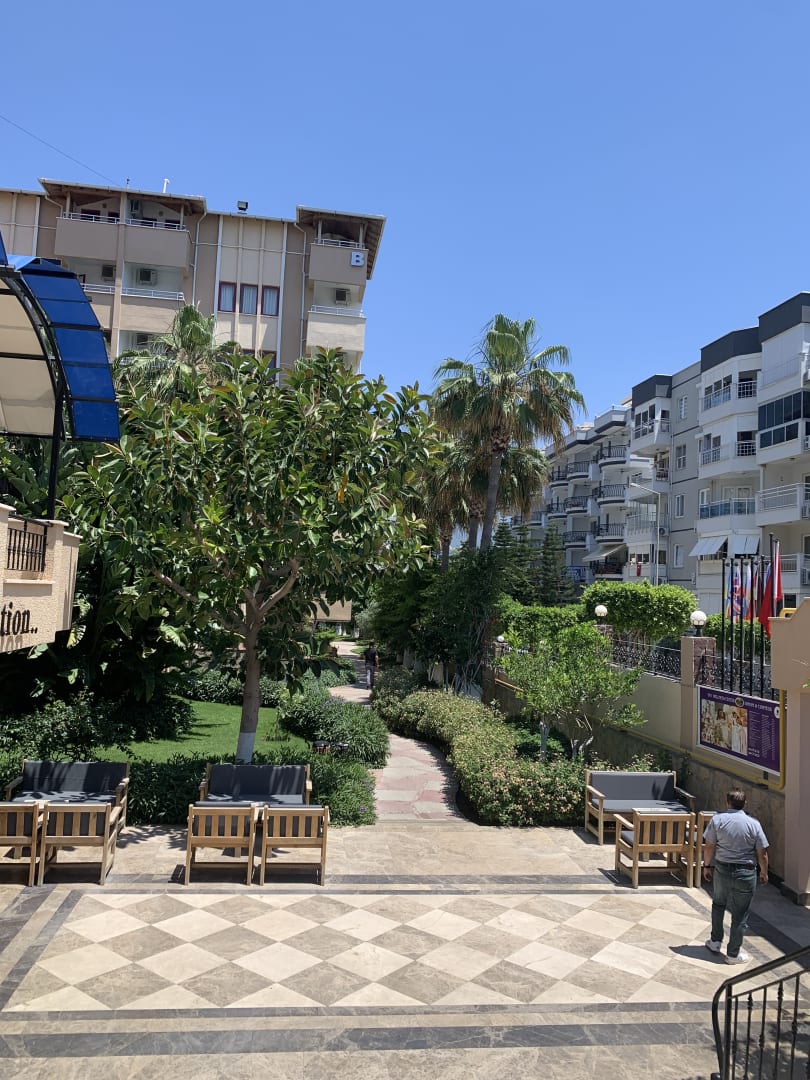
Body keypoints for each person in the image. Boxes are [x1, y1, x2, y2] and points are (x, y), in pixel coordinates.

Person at [702, 789, 769, 964]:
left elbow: (709, 846)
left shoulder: (717, 820)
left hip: (722, 869)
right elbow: (762, 853)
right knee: (740, 914)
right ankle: (733, 954)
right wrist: (764, 872)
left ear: (727, 802)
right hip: (746, 872)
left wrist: (706, 866)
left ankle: (715, 941)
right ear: (745, 804)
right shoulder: (754, 824)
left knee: (718, 904)